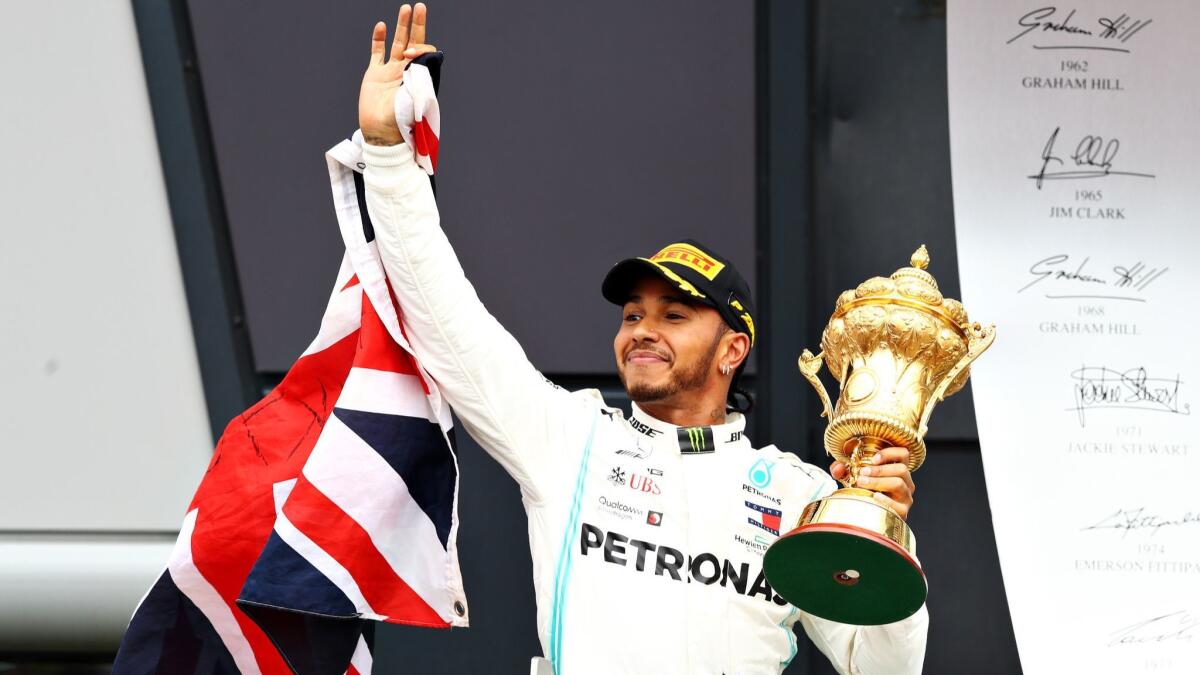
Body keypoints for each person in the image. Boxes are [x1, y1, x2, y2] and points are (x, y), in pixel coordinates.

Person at [358, 4, 927, 674]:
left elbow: (881, 667)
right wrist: (389, 157)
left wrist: (886, 535)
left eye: (674, 315)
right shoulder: (569, 439)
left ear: (732, 349)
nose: (642, 332)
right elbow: (444, 317)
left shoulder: (797, 495)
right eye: (632, 315)